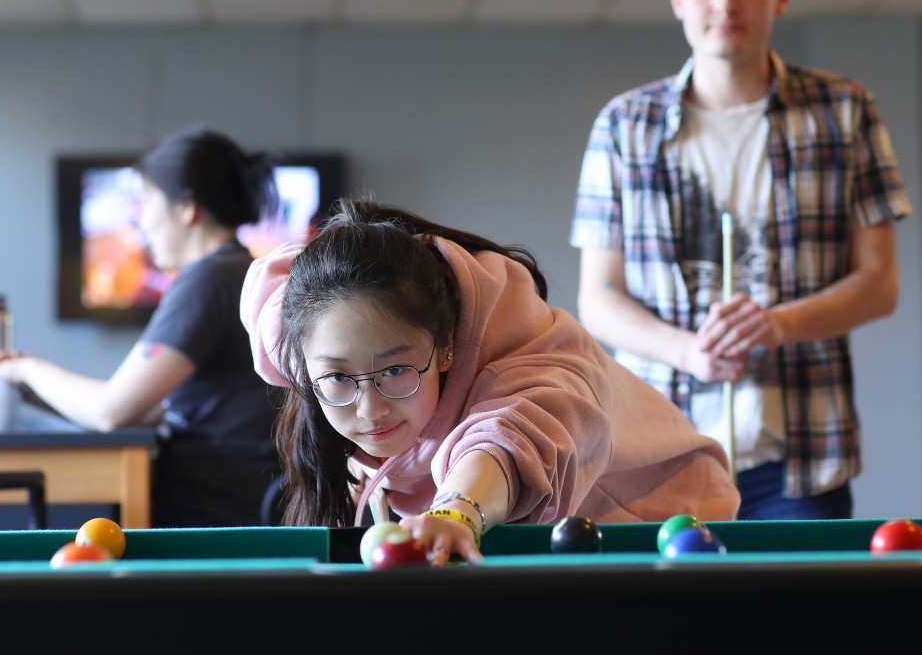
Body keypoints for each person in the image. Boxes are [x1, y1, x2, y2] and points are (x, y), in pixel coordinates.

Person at [569, 0, 913, 520]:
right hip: (654, 455)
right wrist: (685, 350)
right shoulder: (624, 125)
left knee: (795, 621)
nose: (726, 0)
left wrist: (778, 324)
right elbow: (598, 297)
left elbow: (879, 285)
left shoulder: (845, 110)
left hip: (800, 462)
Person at [241, 197, 739, 566]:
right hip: (508, 535)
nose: (369, 410)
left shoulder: (530, 348)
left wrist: (454, 513)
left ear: (446, 348)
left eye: (395, 370)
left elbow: (512, 434)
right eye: (337, 377)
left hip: (661, 526)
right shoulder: (299, 333)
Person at [0, 125, 283, 527]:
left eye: (146, 201)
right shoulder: (238, 270)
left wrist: (25, 368)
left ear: (187, 207)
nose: (141, 222)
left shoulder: (208, 278)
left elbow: (112, 410)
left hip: (211, 506)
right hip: (241, 496)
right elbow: (149, 407)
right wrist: (29, 389)